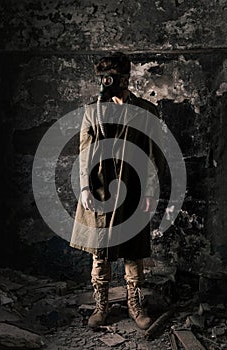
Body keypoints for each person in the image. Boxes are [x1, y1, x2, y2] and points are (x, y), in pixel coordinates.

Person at [70, 52, 164, 329]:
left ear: (126, 78)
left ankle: (135, 305)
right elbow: (85, 151)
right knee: (101, 250)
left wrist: (149, 191)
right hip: (100, 188)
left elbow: (153, 154)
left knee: (133, 249)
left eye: (113, 77)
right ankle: (102, 306)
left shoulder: (146, 111)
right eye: (104, 78)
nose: (108, 82)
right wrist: (85, 186)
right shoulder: (92, 110)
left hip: (132, 188)